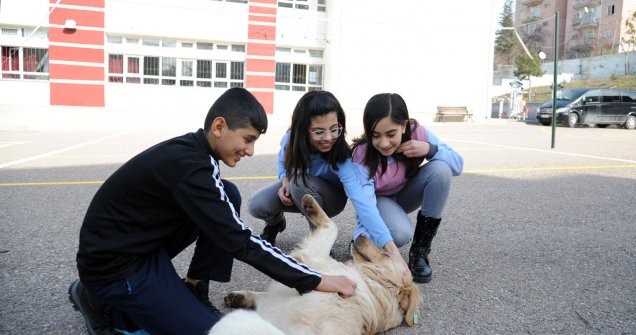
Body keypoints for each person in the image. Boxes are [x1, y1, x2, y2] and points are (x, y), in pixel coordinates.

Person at [68, 88, 357, 335]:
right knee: (211, 332)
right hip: (116, 269)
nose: (251, 150)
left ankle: (194, 287)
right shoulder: (192, 168)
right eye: (247, 139)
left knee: (228, 194)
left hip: (138, 248)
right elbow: (240, 241)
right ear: (219, 127)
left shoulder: (195, 154)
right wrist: (315, 279)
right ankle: (94, 296)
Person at [247, 90, 407, 267]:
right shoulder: (291, 139)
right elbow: (282, 161)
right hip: (298, 188)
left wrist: (390, 246)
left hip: (330, 199)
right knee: (257, 205)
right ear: (303, 129)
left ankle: (319, 243)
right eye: (319, 132)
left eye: (334, 130)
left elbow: (362, 200)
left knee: (300, 182)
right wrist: (285, 181)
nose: (328, 138)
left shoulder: (342, 157)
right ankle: (275, 223)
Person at [351, 93, 463, 283]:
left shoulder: (418, 133)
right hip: (380, 202)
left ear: (404, 126)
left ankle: (419, 252)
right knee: (400, 234)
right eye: (375, 135)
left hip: (405, 195)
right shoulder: (362, 156)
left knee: (441, 169)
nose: (384, 143)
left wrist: (430, 149)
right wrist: (370, 241)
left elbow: (457, 165)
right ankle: (364, 241)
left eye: (391, 134)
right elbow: (366, 207)